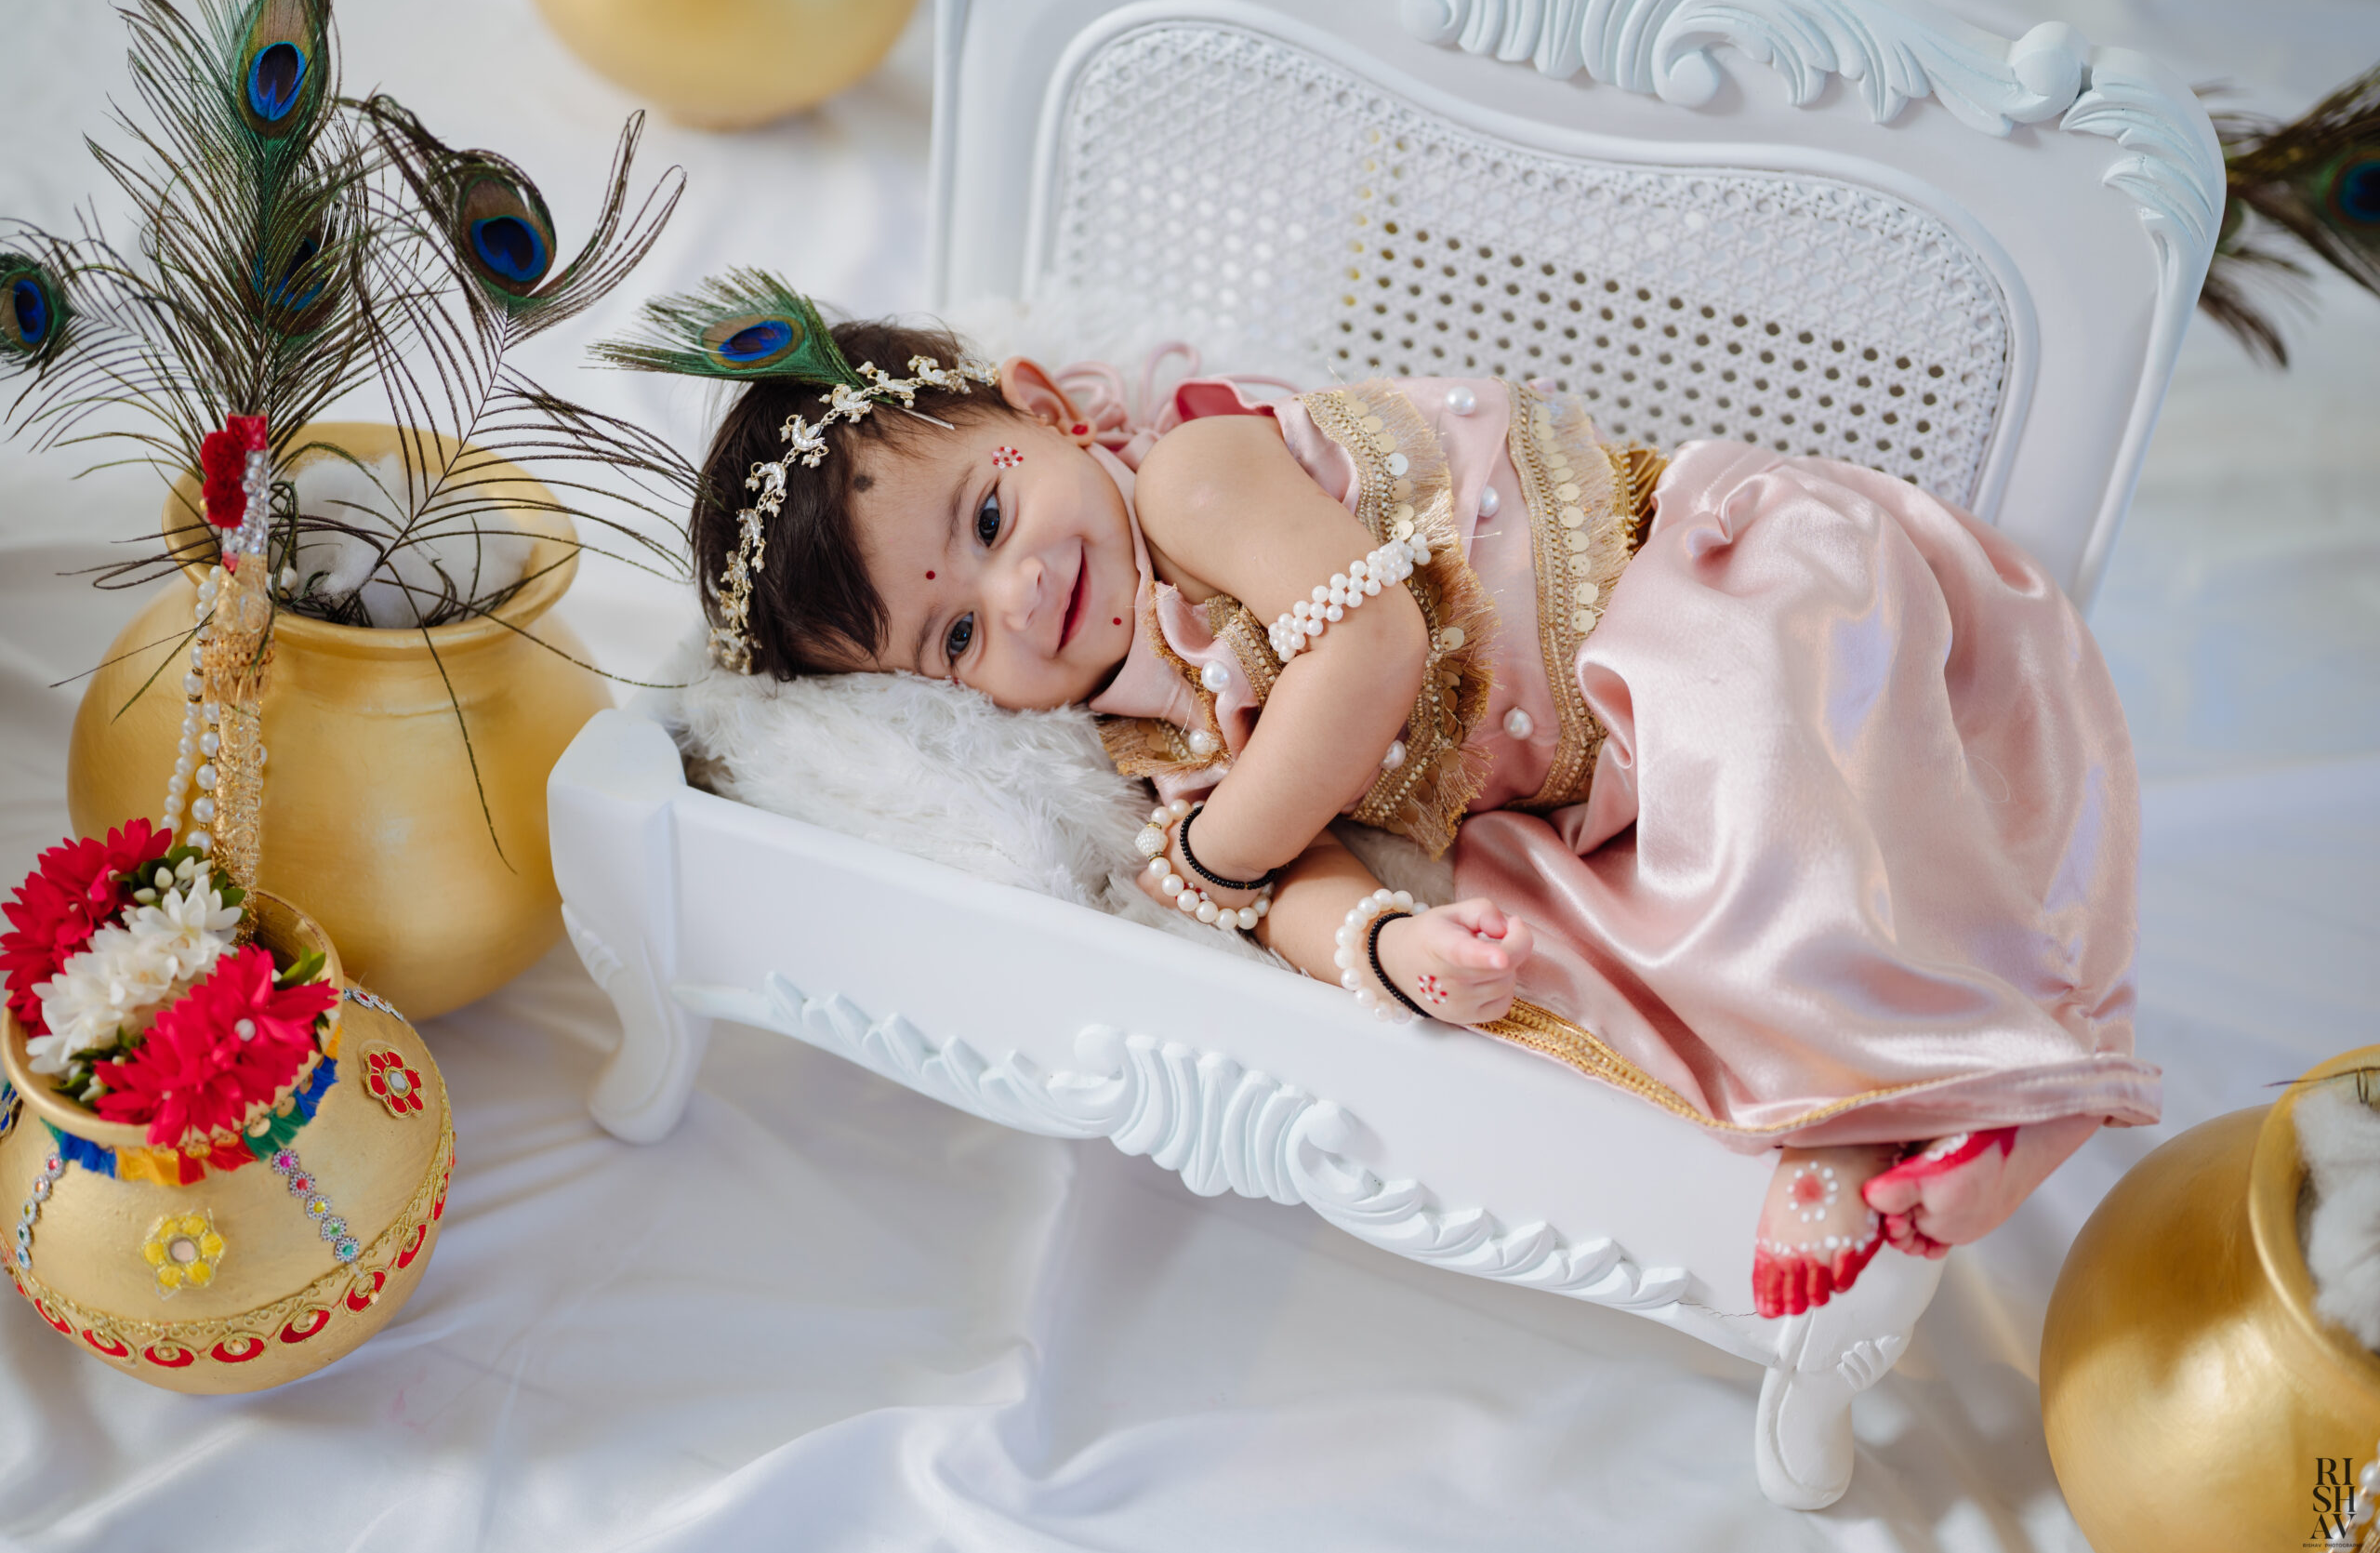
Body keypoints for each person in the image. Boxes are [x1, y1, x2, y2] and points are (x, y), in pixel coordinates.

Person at [610, 293, 2162, 1320]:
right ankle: (1844, 1122)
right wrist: (1385, 947)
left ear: (1042, 407)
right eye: (954, 638)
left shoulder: (1192, 480)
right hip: (1594, 780)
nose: (1018, 593)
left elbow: (1368, 653)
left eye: (994, 511)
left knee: (1777, 801)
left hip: (1705, 596)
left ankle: (2016, 1085)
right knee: (1588, 949)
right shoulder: (1140, 743)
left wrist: (1213, 854)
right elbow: (1286, 888)